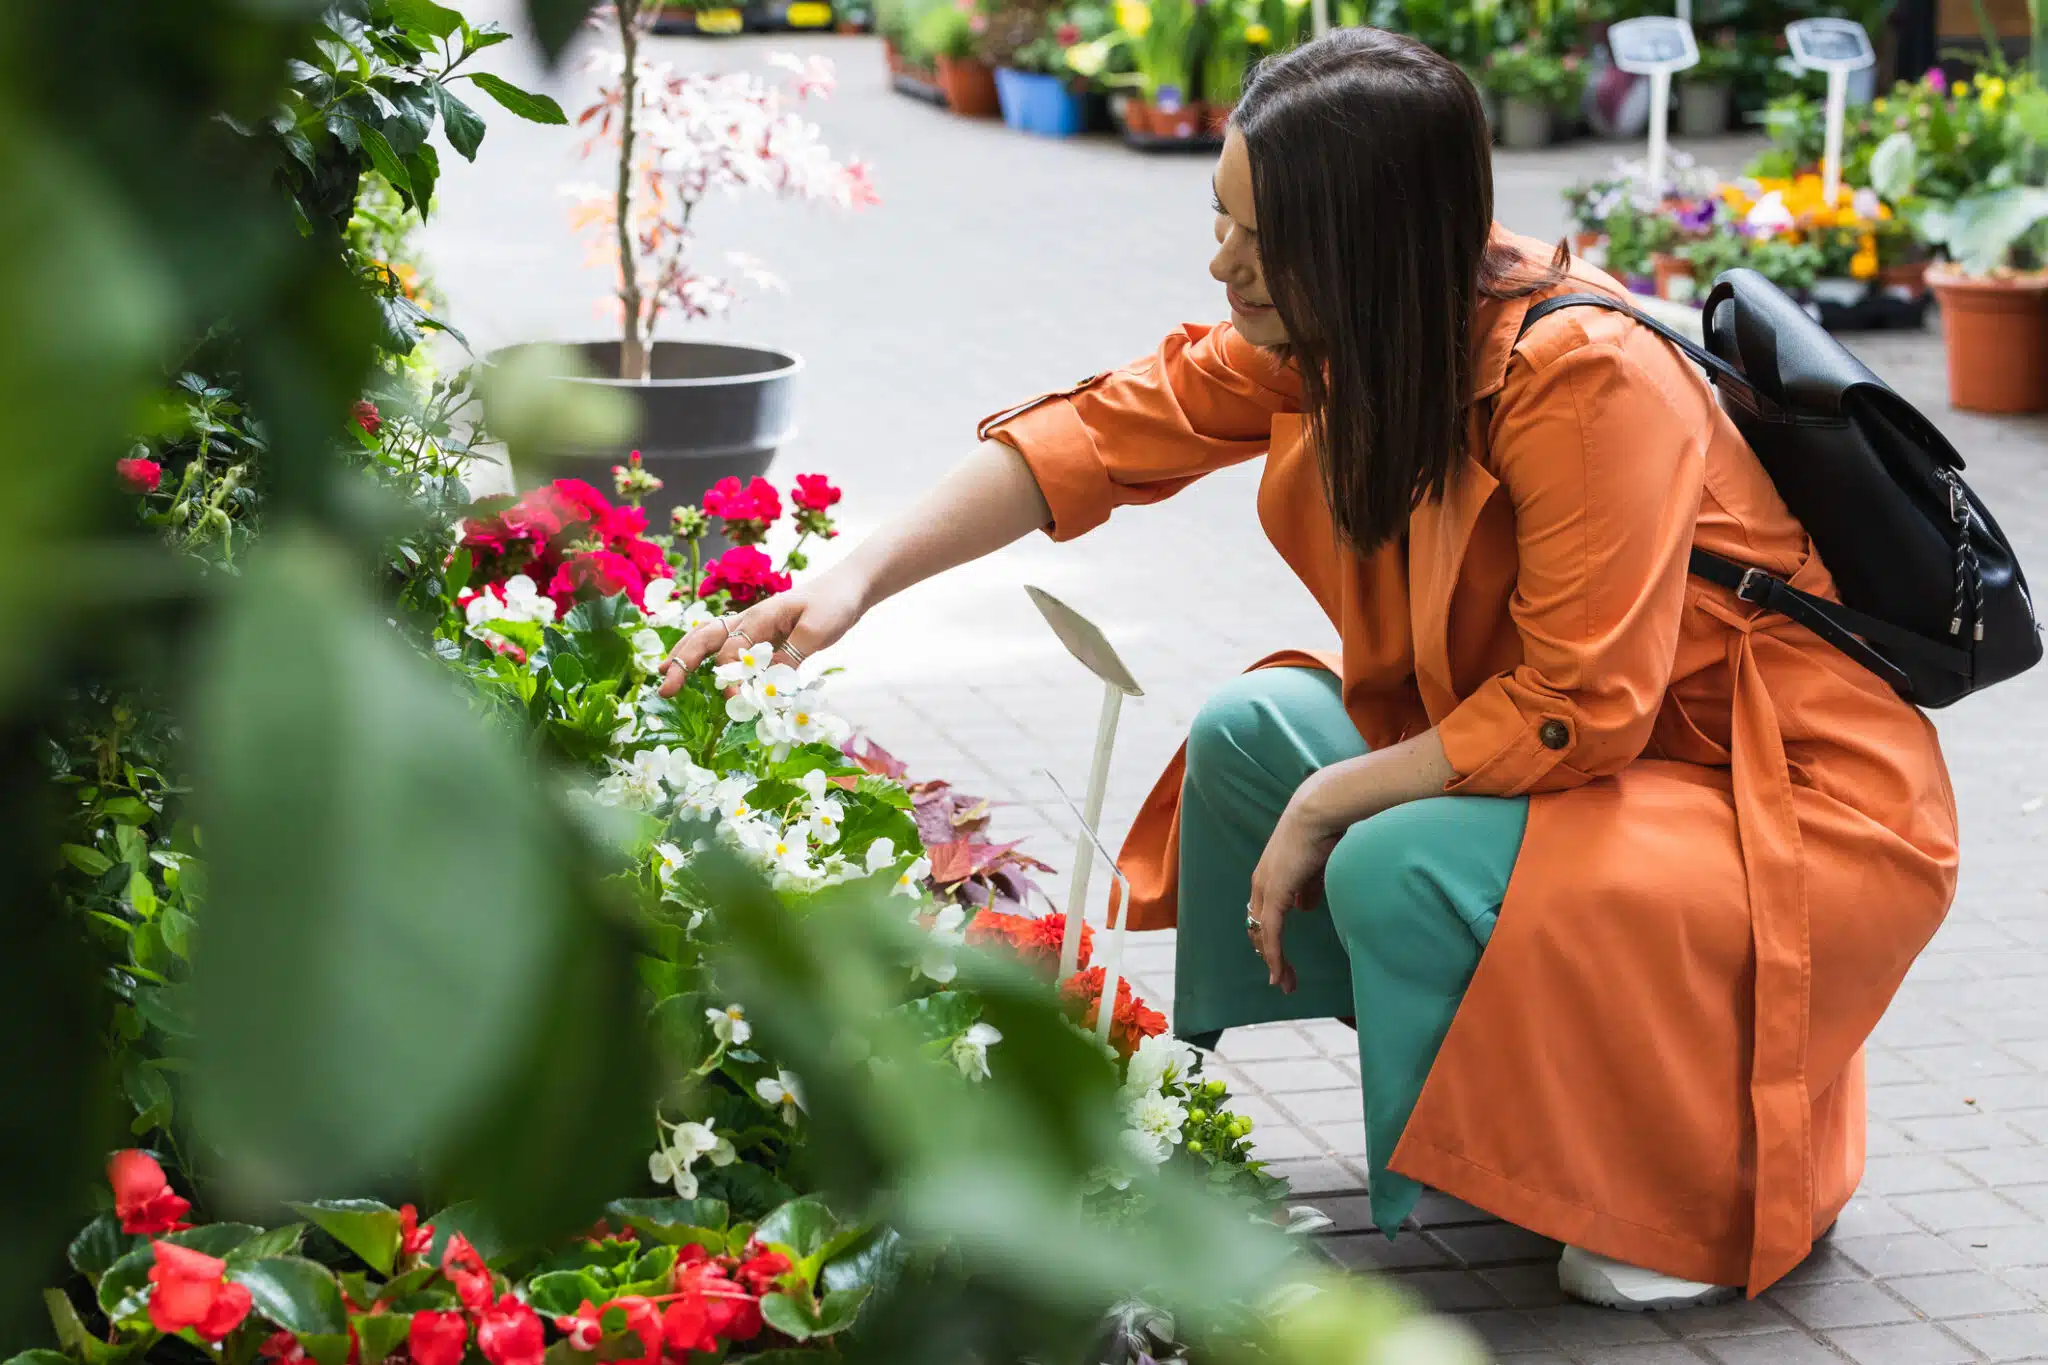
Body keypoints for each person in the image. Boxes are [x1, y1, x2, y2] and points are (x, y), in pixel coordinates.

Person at [659, 28, 1957, 1309]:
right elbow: (1104, 432)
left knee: (1388, 846)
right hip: (1596, 766)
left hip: (1773, 800)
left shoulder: (1585, 378)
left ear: (1365, 241)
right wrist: (850, 581)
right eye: (1222, 216)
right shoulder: (1348, 335)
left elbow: (1582, 714)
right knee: (1255, 734)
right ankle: (1518, 1123)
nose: (1221, 262)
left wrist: (1336, 800)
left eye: (1257, 234)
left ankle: (1683, 1186)